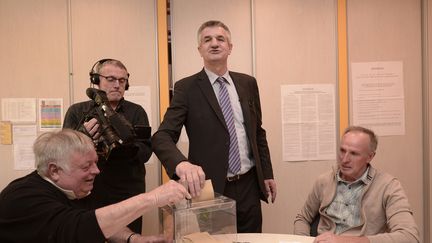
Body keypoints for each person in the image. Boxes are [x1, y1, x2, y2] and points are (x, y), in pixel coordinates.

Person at [151, 20, 277, 233]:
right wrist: (182, 164)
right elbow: (161, 136)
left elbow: (257, 132)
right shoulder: (186, 88)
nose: (214, 44)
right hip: (210, 189)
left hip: (249, 185)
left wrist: (266, 173)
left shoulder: (248, 83)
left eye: (220, 39)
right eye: (207, 39)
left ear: (230, 47)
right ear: (199, 49)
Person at [0, 129, 190, 243]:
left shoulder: (78, 189)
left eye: (96, 163)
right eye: (86, 166)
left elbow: (98, 220)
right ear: (54, 171)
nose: (96, 171)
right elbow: (81, 228)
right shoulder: (22, 198)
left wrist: (133, 239)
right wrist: (153, 198)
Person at [63, 58, 152, 233]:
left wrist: (126, 145)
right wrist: (82, 136)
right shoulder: (77, 111)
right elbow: (63, 154)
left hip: (127, 193)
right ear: (96, 81)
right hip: (88, 192)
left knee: (129, 236)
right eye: (110, 79)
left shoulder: (137, 112)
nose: (117, 85)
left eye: (122, 80)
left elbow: (146, 152)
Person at [293, 126, 420, 243]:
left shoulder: (388, 186)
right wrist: (304, 240)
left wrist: (345, 241)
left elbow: (409, 236)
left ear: (370, 157)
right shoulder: (323, 181)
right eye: (342, 151)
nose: (344, 159)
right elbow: (302, 219)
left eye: (354, 153)